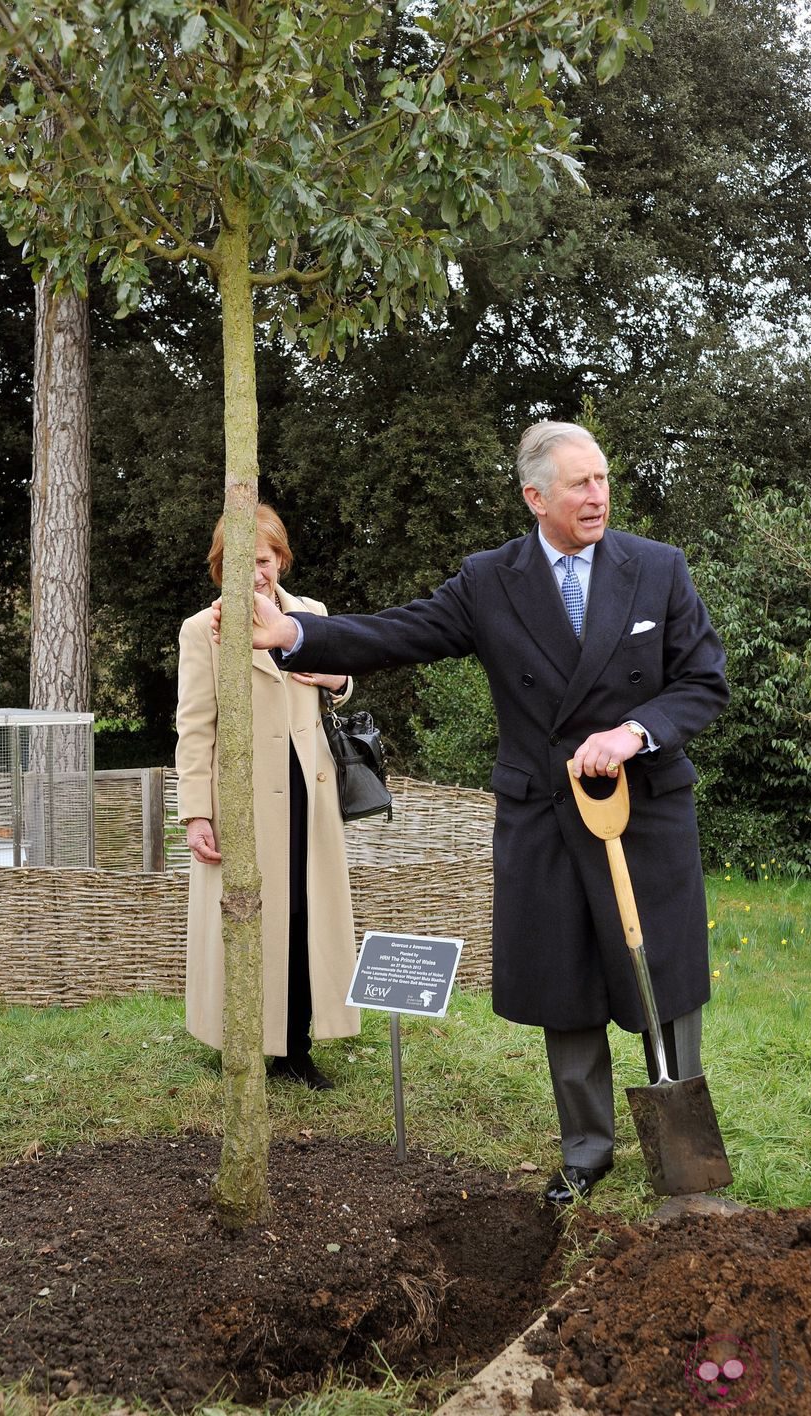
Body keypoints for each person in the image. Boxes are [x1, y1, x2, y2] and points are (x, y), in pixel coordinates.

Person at [223, 425, 728, 1199]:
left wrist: (633, 733)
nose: (598, 496)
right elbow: (400, 632)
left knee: (666, 975)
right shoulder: (491, 580)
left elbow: (702, 682)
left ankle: (682, 1152)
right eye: (578, 485)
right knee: (566, 982)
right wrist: (292, 631)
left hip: (644, 809)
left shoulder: (657, 570)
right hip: (544, 813)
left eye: (601, 479)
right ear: (536, 497)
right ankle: (585, 1152)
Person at [176, 504, 360, 1088]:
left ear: (280, 558)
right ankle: (238, 1041)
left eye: (261, 559)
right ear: (218, 566)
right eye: (238, 560)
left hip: (310, 789)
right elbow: (195, 726)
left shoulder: (313, 615)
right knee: (247, 916)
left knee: (305, 914)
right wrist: (196, 812)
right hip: (243, 797)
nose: (254, 572)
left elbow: (345, 683)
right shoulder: (201, 629)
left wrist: (333, 676)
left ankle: (296, 1049)